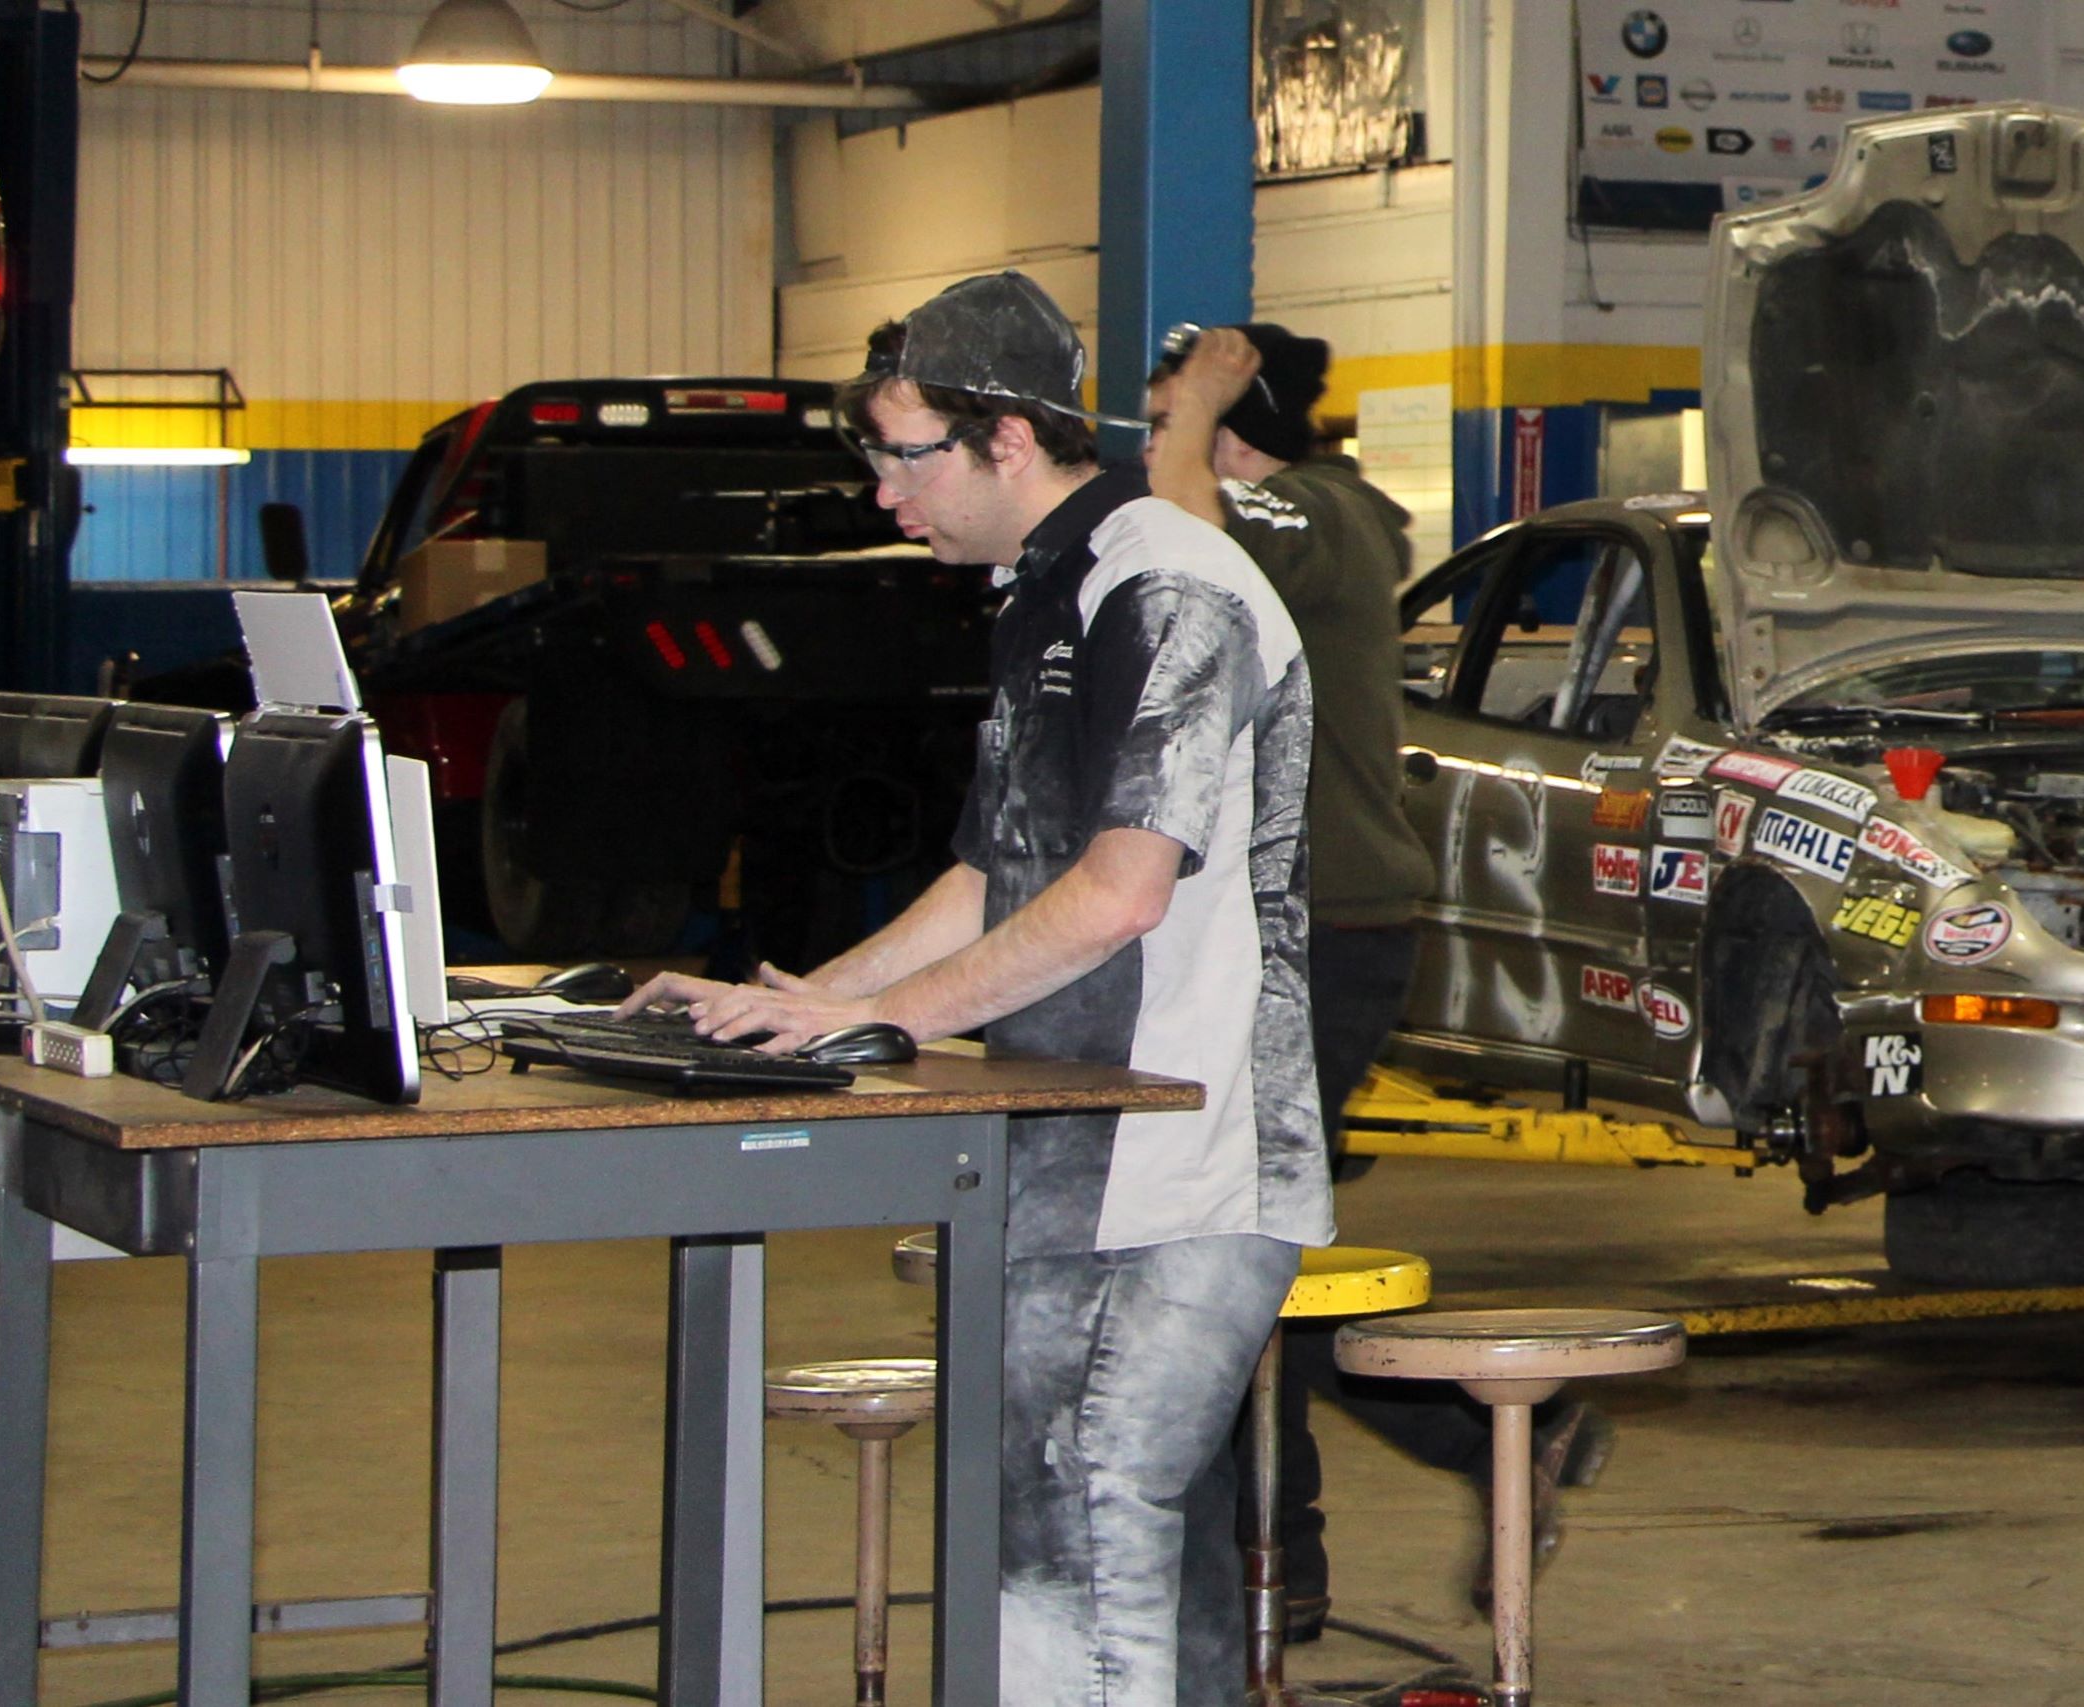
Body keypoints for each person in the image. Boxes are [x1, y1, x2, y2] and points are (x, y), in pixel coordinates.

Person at [620, 272, 1332, 1707]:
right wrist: (789, 1006)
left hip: (1180, 1155)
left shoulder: (1169, 589)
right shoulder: (1050, 592)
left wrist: (879, 1024)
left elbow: (1124, 890)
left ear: (1009, 438)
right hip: (1071, 1146)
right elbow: (993, 875)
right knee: (1083, 1531)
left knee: (1081, 1529)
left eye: (906, 454)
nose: (883, 491)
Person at [1143, 324, 1613, 1636]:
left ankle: (1277, 1575)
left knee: (1239, 1252)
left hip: (1321, 932)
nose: (1158, 431)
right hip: (1265, 934)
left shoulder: (1323, 511)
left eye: (1175, 409)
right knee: (1254, 1250)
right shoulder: (1277, 512)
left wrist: (1198, 409)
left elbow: (1183, 509)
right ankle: (1482, 1445)